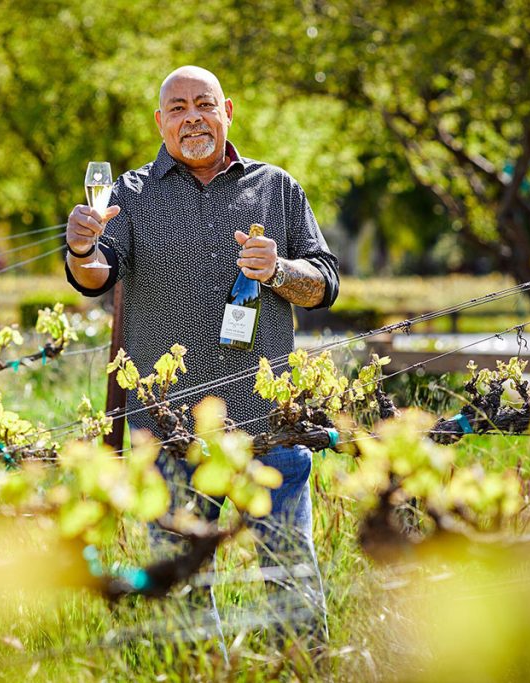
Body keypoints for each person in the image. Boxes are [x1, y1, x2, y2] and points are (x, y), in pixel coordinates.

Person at [64, 65, 339, 657]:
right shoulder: (131, 194)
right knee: (184, 591)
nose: (193, 118)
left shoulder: (277, 188)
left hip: (266, 423)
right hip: (165, 430)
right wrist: (82, 245)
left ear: (227, 111)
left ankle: (307, 669)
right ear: (161, 122)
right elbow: (96, 275)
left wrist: (281, 271)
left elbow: (324, 283)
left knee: (291, 574)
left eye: (204, 104)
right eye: (179, 108)